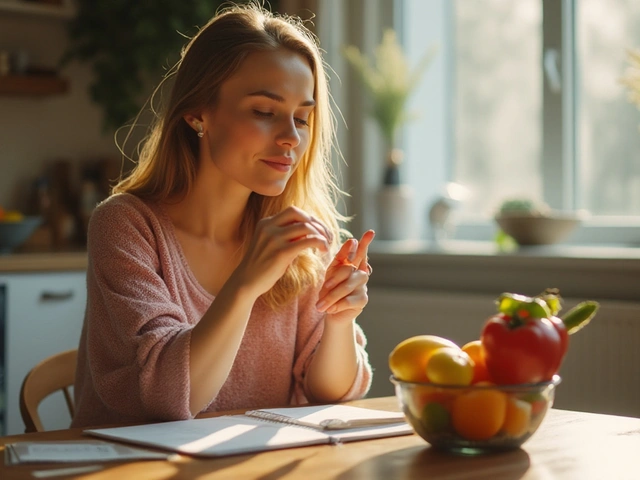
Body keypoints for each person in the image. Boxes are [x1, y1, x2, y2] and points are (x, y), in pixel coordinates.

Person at [71, 2, 375, 428]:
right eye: (264, 112)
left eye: (303, 118)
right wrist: (245, 284)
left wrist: (339, 322)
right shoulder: (125, 225)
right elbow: (168, 399)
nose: (291, 138)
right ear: (197, 113)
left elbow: (332, 392)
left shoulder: (295, 238)